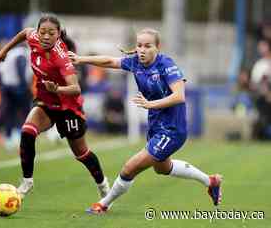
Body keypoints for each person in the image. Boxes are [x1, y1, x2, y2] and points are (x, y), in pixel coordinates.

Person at [68, 28, 223, 214]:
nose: (142, 50)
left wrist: (151, 104)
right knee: (163, 168)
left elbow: (179, 96)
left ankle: (104, 204)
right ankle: (210, 181)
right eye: (139, 45)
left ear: (158, 47)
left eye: (148, 46)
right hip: (157, 126)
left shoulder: (166, 64)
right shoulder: (135, 62)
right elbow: (110, 61)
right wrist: (81, 59)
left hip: (172, 129)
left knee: (129, 168)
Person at [0, 14, 110, 199]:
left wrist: (57, 88)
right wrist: (5, 51)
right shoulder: (33, 37)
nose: (46, 36)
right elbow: (24, 33)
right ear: (38, 32)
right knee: (27, 132)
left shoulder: (61, 56)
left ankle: (103, 185)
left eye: (51, 33)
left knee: (81, 153)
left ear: (58, 35)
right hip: (45, 102)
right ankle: (27, 181)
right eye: (43, 32)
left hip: (68, 107)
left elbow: (76, 89)